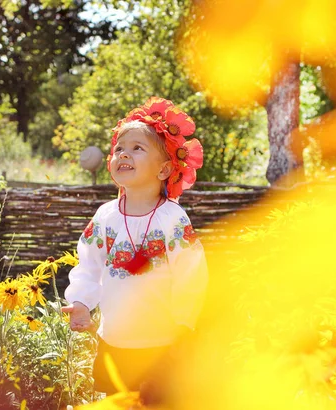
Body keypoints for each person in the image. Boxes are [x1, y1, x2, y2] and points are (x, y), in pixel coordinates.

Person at [62, 97, 209, 400]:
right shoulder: (106, 216)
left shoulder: (173, 219)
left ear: (164, 169)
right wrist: (80, 302)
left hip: (162, 344)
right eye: (119, 148)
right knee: (116, 402)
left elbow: (191, 274)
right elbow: (88, 264)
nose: (123, 153)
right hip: (113, 341)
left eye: (137, 148)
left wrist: (184, 323)